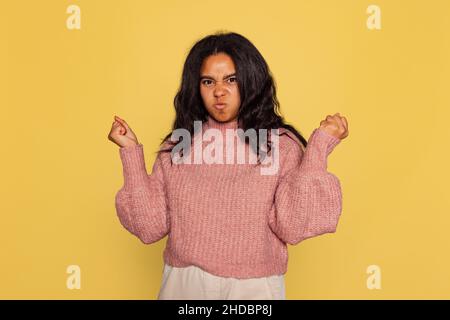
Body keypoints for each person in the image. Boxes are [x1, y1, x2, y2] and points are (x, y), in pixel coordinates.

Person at [107, 31, 349, 300]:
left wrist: (319, 148)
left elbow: (293, 225)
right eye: (208, 81)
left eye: (231, 80)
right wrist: (130, 152)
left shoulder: (279, 144)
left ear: (250, 81)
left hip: (254, 287)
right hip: (185, 284)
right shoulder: (179, 145)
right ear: (196, 87)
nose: (219, 91)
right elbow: (149, 227)